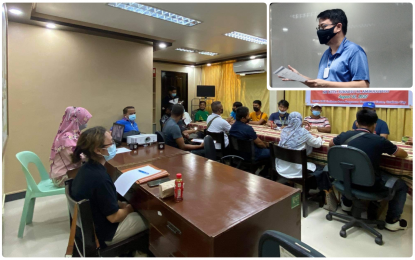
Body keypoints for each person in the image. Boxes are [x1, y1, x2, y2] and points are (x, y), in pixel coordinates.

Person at [329, 109, 408, 231]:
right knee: (401, 185)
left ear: (356, 123)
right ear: (374, 125)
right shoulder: (379, 141)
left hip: (344, 181)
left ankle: (346, 205)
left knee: (349, 168)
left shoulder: (344, 135)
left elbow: (330, 144)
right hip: (370, 185)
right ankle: (392, 221)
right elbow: (402, 154)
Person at [70, 126, 147, 247]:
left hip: (92, 225)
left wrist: (121, 204)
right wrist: (129, 209)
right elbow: (114, 217)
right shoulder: (100, 179)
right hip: (104, 234)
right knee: (151, 221)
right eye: (111, 143)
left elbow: (102, 200)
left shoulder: (86, 168)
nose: (114, 145)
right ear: (98, 150)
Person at [280, 9, 370, 88]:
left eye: (323, 26)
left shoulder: (354, 51)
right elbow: (318, 84)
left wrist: (325, 84)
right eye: (319, 28)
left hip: (343, 102)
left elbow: (363, 85)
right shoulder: (326, 54)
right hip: (325, 101)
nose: (320, 31)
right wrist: (298, 76)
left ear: (338, 27)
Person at [276, 112, 331, 191]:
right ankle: (320, 192)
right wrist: (320, 137)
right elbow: (317, 144)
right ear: (300, 120)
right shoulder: (303, 132)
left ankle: (293, 184)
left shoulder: (284, 131)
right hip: (296, 168)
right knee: (321, 168)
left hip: (281, 165)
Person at [49, 107, 92, 188]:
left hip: (69, 171)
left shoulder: (73, 135)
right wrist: (93, 154)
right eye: (84, 121)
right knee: (95, 174)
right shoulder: (66, 138)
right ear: (76, 121)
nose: (85, 124)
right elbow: (75, 158)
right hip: (62, 177)